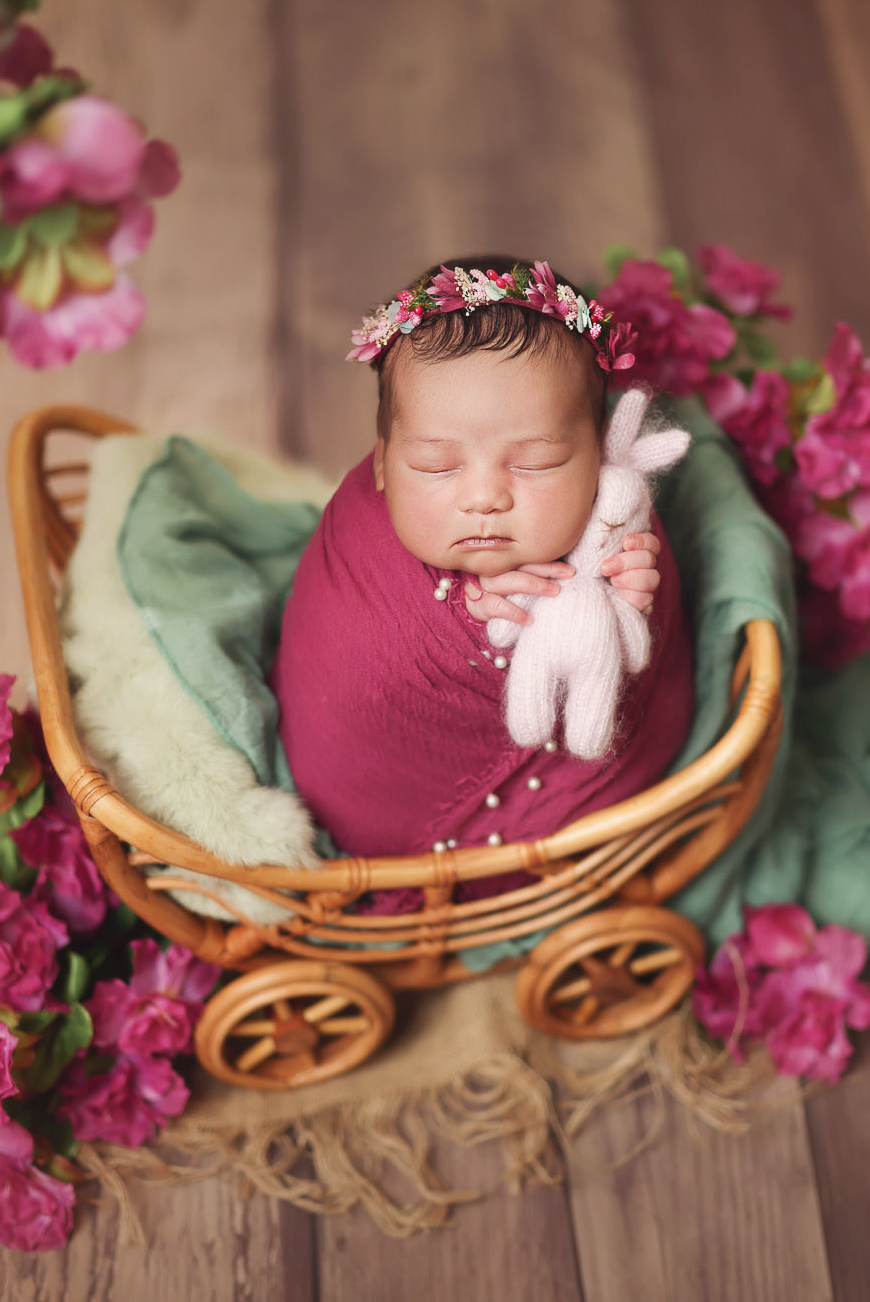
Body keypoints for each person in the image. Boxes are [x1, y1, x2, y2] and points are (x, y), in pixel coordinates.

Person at [270, 255, 696, 890]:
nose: (485, 496)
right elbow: (346, 648)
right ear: (384, 464)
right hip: (375, 801)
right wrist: (460, 614)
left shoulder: (616, 516)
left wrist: (628, 597)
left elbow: (640, 660)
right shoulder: (358, 540)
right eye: (438, 466)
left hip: (575, 810)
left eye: (536, 461)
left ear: (602, 452)